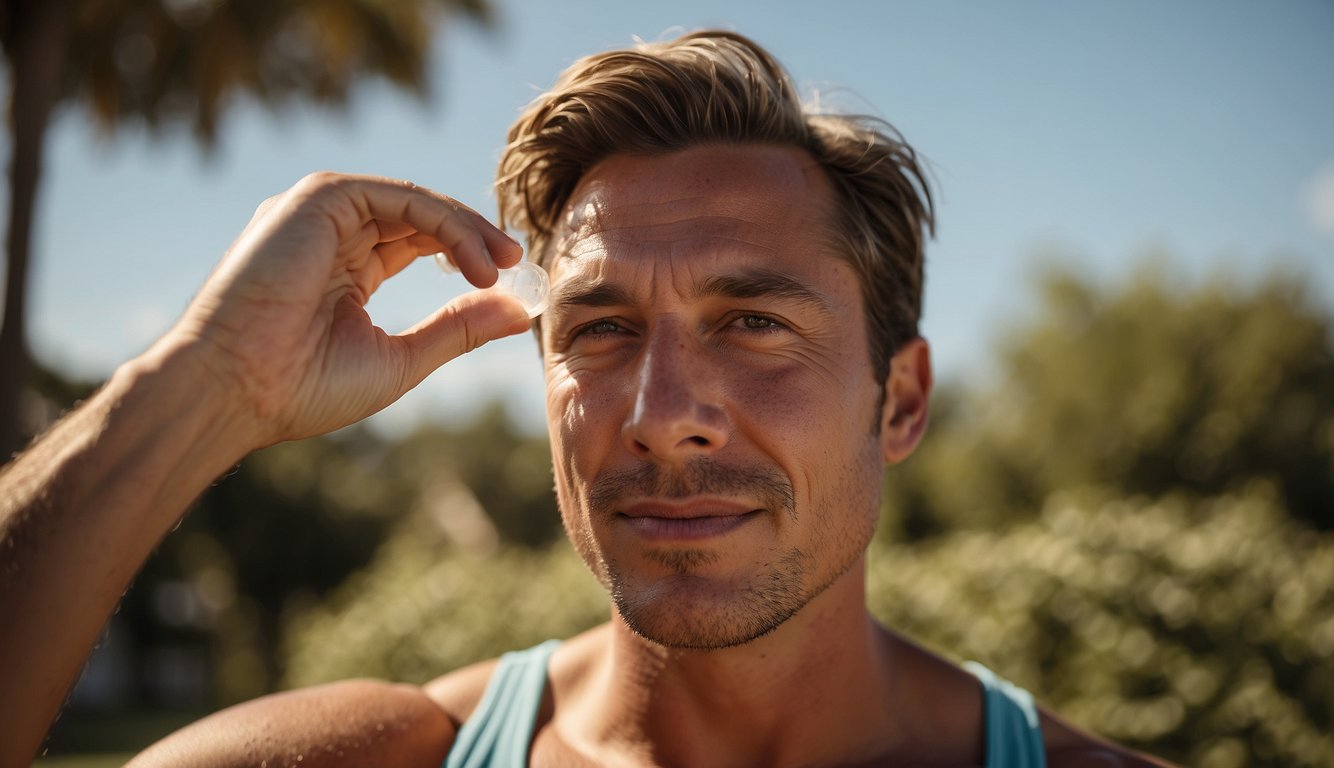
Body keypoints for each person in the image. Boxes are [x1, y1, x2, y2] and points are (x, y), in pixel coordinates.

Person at [0, 30, 1170, 768]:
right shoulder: (380, 757)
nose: (661, 413)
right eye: (601, 332)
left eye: (753, 324)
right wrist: (202, 389)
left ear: (899, 401)